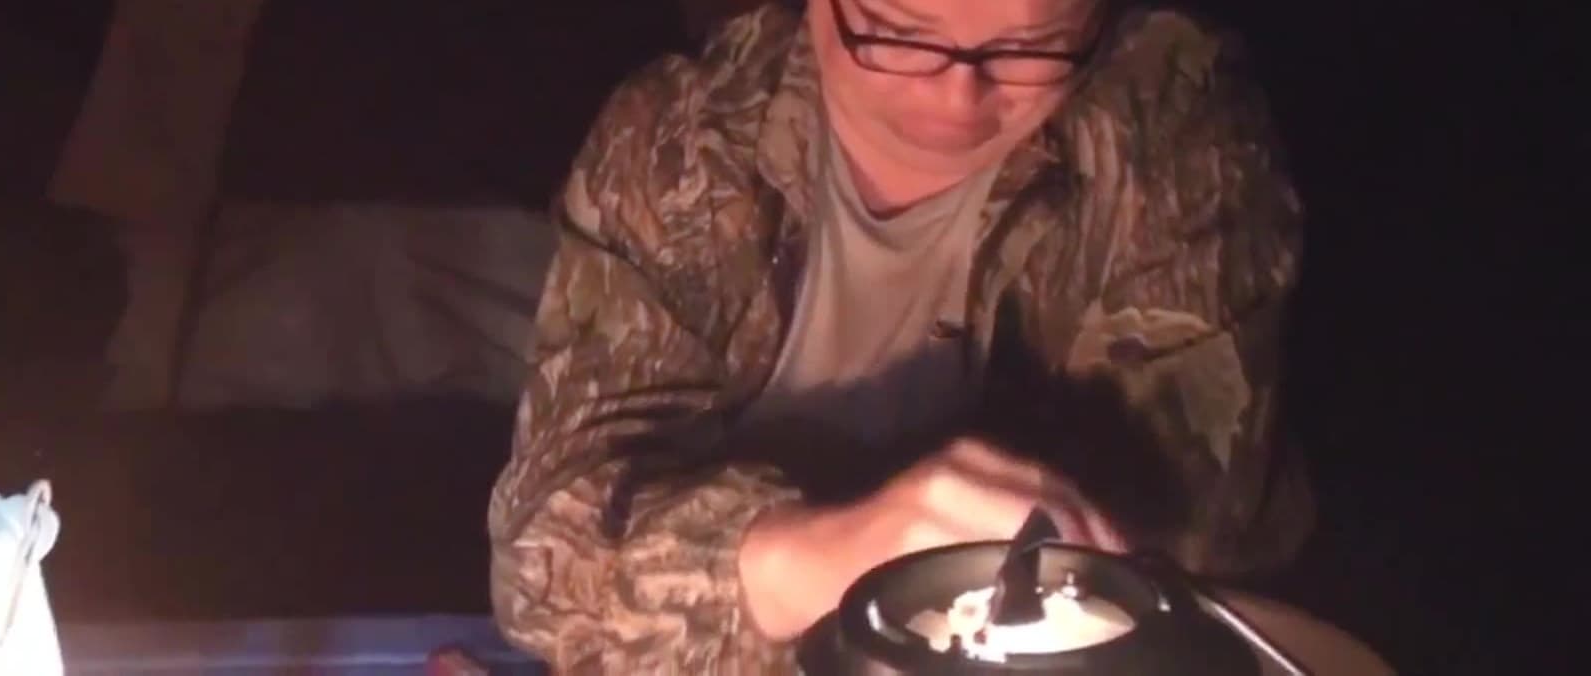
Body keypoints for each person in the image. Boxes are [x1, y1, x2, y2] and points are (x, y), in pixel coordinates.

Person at [487, 0, 1316, 670]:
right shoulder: (680, 142)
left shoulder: (1162, 118)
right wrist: (819, 554)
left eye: (1029, 48)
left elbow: (1196, 532)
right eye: (900, 34)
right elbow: (547, 564)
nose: (957, 99)